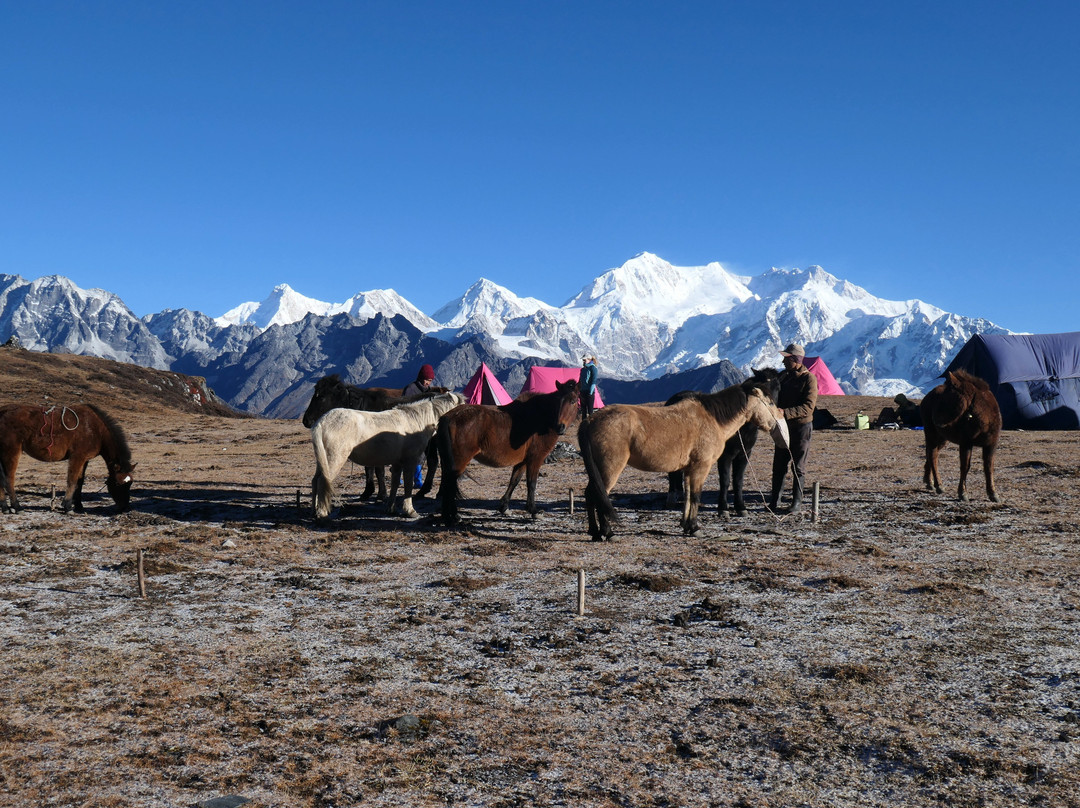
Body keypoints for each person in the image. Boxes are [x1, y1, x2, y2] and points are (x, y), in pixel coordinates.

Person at [768, 343, 818, 514]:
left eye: (786, 358)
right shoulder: (783, 377)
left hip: (801, 428)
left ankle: (796, 502)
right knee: (779, 464)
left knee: (798, 466)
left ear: (795, 360)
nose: (783, 362)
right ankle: (774, 500)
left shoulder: (809, 379)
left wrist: (785, 412)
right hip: (783, 428)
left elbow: (808, 407)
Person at [401, 363, 436, 487]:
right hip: (410, 427)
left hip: (423, 428)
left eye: (430, 381)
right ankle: (408, 478)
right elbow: (404, 408)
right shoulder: (410, 389)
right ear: (422, 378)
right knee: (406, 453)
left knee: (420, 454)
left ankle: (417, 479)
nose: (428, 383)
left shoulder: (429, 392)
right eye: (427, 380)